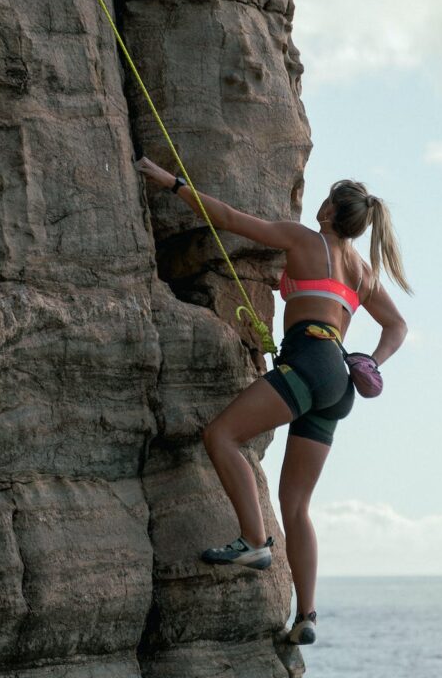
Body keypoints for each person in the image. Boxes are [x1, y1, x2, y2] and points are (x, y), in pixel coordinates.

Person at [134, 157, 411, 645]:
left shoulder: (306, 239)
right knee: (297, 504)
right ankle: (306, 615)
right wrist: (372, 361)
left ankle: (253, 542)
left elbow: (229, 219)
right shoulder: (363, 272)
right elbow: (397, 326)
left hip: (309, 361)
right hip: (339, 379)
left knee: (221, 436)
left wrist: (172, 182)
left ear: (327, 211)